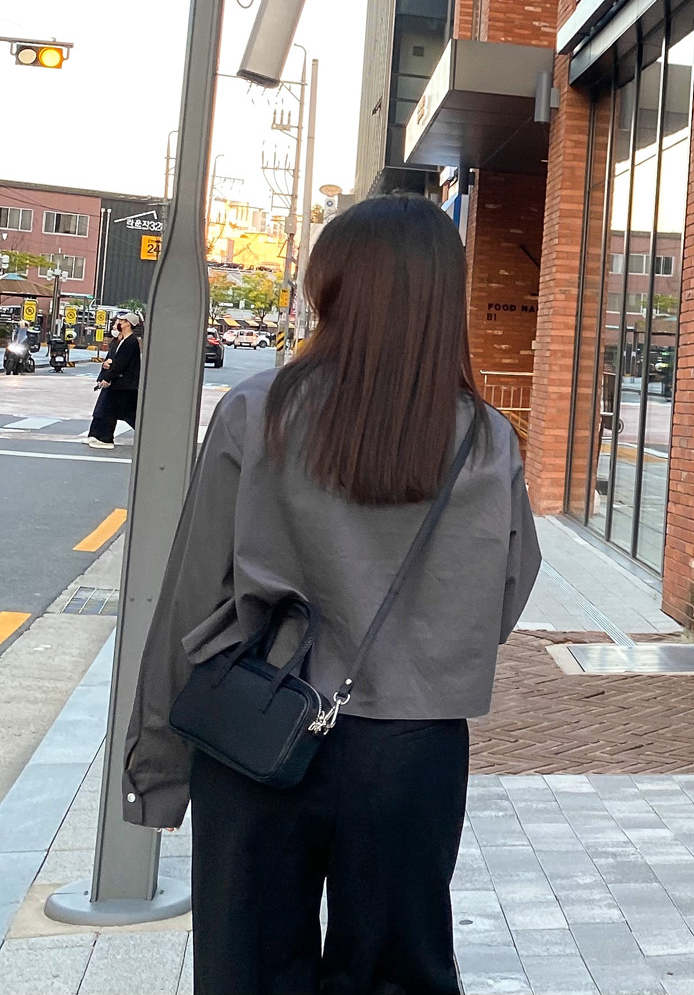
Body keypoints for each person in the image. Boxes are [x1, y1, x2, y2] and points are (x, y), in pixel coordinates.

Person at [122, 195, 542, 995]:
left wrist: (158, 768)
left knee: (250, 967)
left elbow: (191, 597)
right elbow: (507, 590)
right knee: (397, 971)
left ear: (333, 286)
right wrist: (425, 642)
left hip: (257, 723)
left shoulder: (258, 413)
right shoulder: (485, 436)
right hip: (412, 747)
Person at [86, 312, 142, 449]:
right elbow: (113, 360)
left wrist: (108, 377)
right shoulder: (119, 341)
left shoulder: (131, 342)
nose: (118, 323)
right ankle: (96, 435)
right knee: (105, 409)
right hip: (117, 383)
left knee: (113, 411)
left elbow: (121, 363)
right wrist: (104, 372)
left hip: (124, 385)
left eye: (121, 321)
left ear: (128, 324)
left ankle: (105, 438)